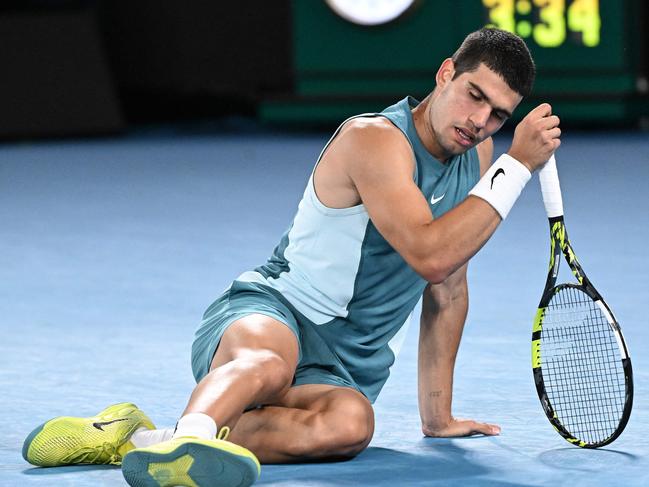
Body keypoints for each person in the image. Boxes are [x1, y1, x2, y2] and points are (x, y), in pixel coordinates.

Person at [22, 27, 560, 487]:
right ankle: (185, 448)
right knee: (271, 364)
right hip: (272, 313)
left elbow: (449, 288)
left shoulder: (478, 157)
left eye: (497, 114)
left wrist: (437, 417)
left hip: (340, 368)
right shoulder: (373, 139)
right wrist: (517, 169)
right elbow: (430, 256)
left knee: (353, 426)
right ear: (445, 73)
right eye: (474, 95)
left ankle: (141, 437)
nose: (480, 121)